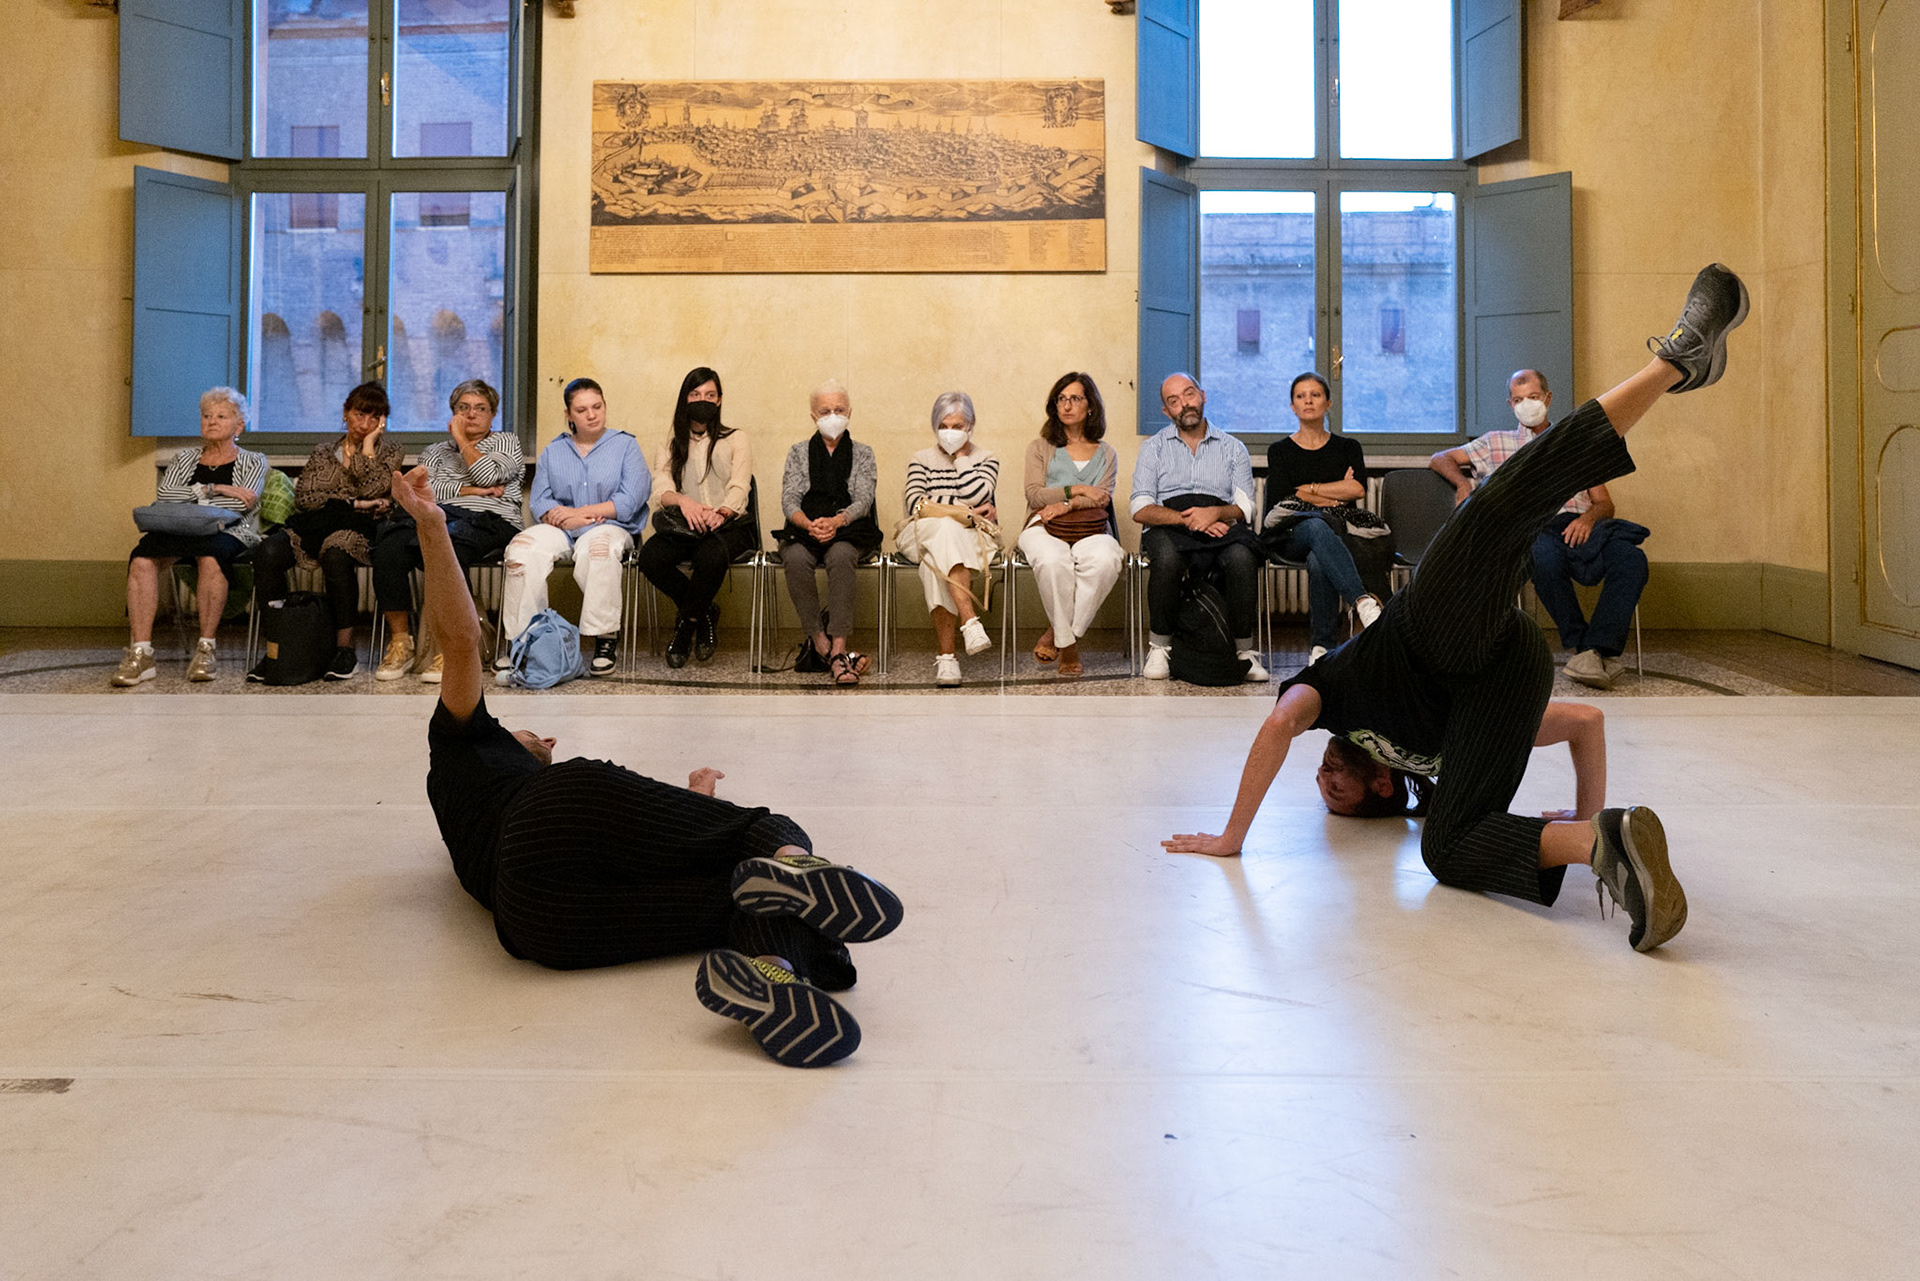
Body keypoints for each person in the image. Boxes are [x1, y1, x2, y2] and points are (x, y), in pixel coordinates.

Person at [1162, 263, 1750, 955]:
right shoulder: (1447, 753)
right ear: (1385, 786)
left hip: (1429, 623)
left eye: (1324, 780)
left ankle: (1675, 361)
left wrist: (1233, 836)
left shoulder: (1334, 696)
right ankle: (1603, 842)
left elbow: (1280, 723)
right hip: (1501, 672)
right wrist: (1586, 810)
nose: (1323, 778)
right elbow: (1585, 721)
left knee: (1499, 505)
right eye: (1338, 793)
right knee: (1445, 847)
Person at [392, 460, 903, 1068]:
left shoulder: (463, 806)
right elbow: (460, 640)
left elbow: (642, 850)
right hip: (551, 813)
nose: (546, 739)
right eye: (530, 736)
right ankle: (796, 862)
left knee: (738, 896)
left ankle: (775, 973)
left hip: (536, 923)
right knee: (757, 829)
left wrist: (692, 804)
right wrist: (431, 525)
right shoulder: (465, 740)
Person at [1430, 369, 1650, 690]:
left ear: (1547, 398)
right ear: (1510, 404)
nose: (1526, 405)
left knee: (1632, 559)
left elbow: (1604, 503)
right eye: (1518, 400)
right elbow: (1439, 458)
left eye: (1533, 397)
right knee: (1542, 558)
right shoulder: (1495, 442)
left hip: (1580, 526)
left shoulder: (1573, 442)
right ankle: (1582, 646)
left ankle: (1599, 648)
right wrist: (1463, 485)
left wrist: (1587, 519)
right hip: (1533, 528)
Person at [372, 379, 525, 683]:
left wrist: (461, 440)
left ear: (492, 415)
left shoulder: (507, 442)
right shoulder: (434, 451)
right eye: (463, 408)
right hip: (438, 516)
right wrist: (473, 489)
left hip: (492, 520)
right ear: (453, 411)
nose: (471, 414)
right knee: (389, 545)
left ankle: (453, 649)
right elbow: (426, 491)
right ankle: (402, 642)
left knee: (450, 548)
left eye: (480, 408)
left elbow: (488, 474)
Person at [113, 387, 268, 686]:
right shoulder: (184, 458)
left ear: (238, 426)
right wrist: (215, 488)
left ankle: (205, 649)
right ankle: (141, 653)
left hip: (230, 530)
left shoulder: (253, 460)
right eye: (207, 416)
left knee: (211, 556)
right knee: (142, 559)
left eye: (221, 416)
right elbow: (165, 495)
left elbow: (240, 505)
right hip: (179, 527)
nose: (212, 421)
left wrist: (196, 496)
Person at [250, 381, 405, 681]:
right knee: (267, 552)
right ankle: (277, 646)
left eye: (374, 417)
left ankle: (344, 649)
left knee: (336, 554)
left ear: (382, 422)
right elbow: (305, 497)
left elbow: (374, 487)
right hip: (313, 526)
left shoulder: (391, 451)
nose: (365, 423)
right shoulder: (323, 451)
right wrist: (354, 503)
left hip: (357, 531)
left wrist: (367, 448)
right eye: (360, 414)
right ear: (346, 412)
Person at [503, 377, 648, 677]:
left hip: (610, 525)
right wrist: (567, 519)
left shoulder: (626, 446)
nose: (592, 415)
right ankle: (522, 640)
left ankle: (604, 637)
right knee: (522, 549)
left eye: (597, 406)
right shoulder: (553, 451)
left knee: (598, 548)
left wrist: (580, 513)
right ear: (568, 414)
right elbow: (540, 501)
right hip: (562, 528)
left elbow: (631, 499)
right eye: (582, 410)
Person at [1132, 373, 1267, 682]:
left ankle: (1243, 650)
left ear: (1203, 395)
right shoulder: (1152, 448)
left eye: (1189, 394)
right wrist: (1189, 520)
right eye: (1174, 401)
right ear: (1166, 411)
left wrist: (1215, 513)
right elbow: (1139, 507)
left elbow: (1247, 506)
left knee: (1242, 558)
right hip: (1167, 524)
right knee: (1168, 559)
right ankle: (1160, 647)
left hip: (1219, 524)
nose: (1184, 404)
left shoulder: (1233, 448)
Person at [637, 367, 757, 669]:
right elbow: (660, 489)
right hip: (686, 526)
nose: (703, 400)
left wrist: (722, 512)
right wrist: (684, 503)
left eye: (710, 395)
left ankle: (685, 627)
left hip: (729, 525)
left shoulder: (736, 439)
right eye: (696, 394)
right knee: (650, 557)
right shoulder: (670, 445)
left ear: (719, 400)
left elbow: (740, 486)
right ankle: (704, 613)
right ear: (685, 399)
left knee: (710, 555)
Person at [1263, 372, 1385, 665]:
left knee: (1319, 558)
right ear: (1292, 406)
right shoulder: (1279, 451)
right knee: (1316, 524)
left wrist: (1309, 490)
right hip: (1289, 534)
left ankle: (1321, 649)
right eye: (1300, 396)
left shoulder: (1348, 447)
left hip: (1335, 533)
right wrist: (1333, 493)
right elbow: (1283, 497)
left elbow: (1356, 490)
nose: (1308, 401)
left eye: (1315, 395)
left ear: (1328, 403)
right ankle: (1361, 601)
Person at [1017, 372, 1124, 678]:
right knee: (1054, 561)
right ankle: (1070, 646)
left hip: (1091, 528)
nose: (1066, 405)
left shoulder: (1107, 453)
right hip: (1042, 525)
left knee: (1107, 559)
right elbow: (1035, 494)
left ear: (1090, 406)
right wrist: (1078, 489)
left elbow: (1101, 498)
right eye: (1061, 399)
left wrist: (1068, 504)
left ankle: (1059, 634)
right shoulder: (1040, 447)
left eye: (1075, 398)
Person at [775, 378, 880, 685]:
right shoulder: (798, 452)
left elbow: (864, 499)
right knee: (795, 557)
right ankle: (821, 643)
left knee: (841, 555)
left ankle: (839, 646)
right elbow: (789, 500)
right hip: (804, 526)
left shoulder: (863, 453)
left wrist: (836, 522)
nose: (833, 416)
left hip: (848, 528)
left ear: (849, 412)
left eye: (839, 410)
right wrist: (810, 524)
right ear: (813, 416)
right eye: (825, 411)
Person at [902, 391, 1000, 688]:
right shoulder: (921, 459)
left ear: (971, 426)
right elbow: (915, 504)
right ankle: (969, 619)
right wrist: (962, 511)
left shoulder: (986, 459)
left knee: (934, 563)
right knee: (945, 528)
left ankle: (947, 658)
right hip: (922, 533)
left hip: (973, 538)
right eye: (944, 426)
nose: (950, 432)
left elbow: (977, 495)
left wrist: (961, 459)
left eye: (958, 426)